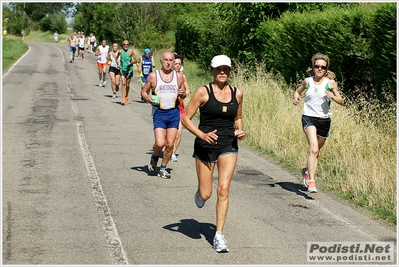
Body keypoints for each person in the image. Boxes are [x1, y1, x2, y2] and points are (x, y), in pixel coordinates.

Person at [181, 55, 245, 253]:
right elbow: (185, 118)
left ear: (230, 71)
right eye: (218, 69)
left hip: (228, 144)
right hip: (205, 145)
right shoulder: (203, 92)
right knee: (206, 193)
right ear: (211, 71)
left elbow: (238, 117)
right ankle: (200, 194)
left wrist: (240, 130)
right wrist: (201, 134)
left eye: (226, 69)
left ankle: (219, 235)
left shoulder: (238, 93)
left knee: (223, 189)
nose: (222, 72)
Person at [293, 52, 344, 193]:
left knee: (316, 152)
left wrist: (332, 96)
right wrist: (296, 98)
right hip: (308, 117)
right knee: (313, 149)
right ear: (313, 67)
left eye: (323, 67)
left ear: (326, 69)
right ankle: (311, 182)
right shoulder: (307, 81)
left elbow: (342, 101)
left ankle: (307, 171)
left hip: (324, 120)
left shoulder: (331, 83)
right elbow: (297, 92)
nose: (319, 69)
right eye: (317, 66)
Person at [141, 51, 187, 179]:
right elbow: (144, 91)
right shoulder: (153, 76)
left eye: (170, 60)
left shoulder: (179, 77)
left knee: (170, 144)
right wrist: (148, 98)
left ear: (174, 62)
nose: (168, 62)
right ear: (161, 61)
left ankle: (163, 168)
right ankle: (155, 156)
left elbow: (182, 93)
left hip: (173, 112)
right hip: (159, 113)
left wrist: (182, 93)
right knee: (160, 143)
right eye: (165, 60)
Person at [170, 53, 190, 162]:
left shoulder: (182, 77)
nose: (177, 66)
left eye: (179, 64)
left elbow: (187, 90)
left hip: (180, 107)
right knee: (168, 134)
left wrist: (185, 92)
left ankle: (172, 152)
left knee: (178, 132)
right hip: (168, 107)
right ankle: (168, 147)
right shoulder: (166, 76)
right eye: (176, 64)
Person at [119, 40, 138, 105]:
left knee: (127, 84)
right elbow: (116, 58)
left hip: (129, 70)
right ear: (123, 45)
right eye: (124, 44)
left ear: (128, 45)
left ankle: (126, 95)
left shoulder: (131, 51)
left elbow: (136, 61)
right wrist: (118, 64)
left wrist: (131, 62)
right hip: (122, 69)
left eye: (127, 44)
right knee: (123, 83)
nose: (126, 45)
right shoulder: (120, 51)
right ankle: (123, 98)